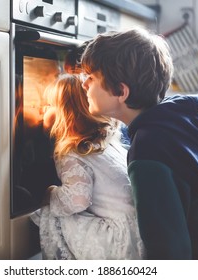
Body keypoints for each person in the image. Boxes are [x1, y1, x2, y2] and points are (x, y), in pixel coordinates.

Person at [80, 28, 198, 260]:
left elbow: (169, 252)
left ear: (121, 91)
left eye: (91, 77)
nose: (83, 84)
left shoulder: (149, 149)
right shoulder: (184, 116)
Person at [30, 74, 145, 260]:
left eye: (49, 105)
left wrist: (51, 194)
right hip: (139, 228)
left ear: (65, 113)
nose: (42, 110)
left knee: (53, 212)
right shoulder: (108, 144)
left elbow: (77, 200)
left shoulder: (72, 152)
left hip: (117, 240)